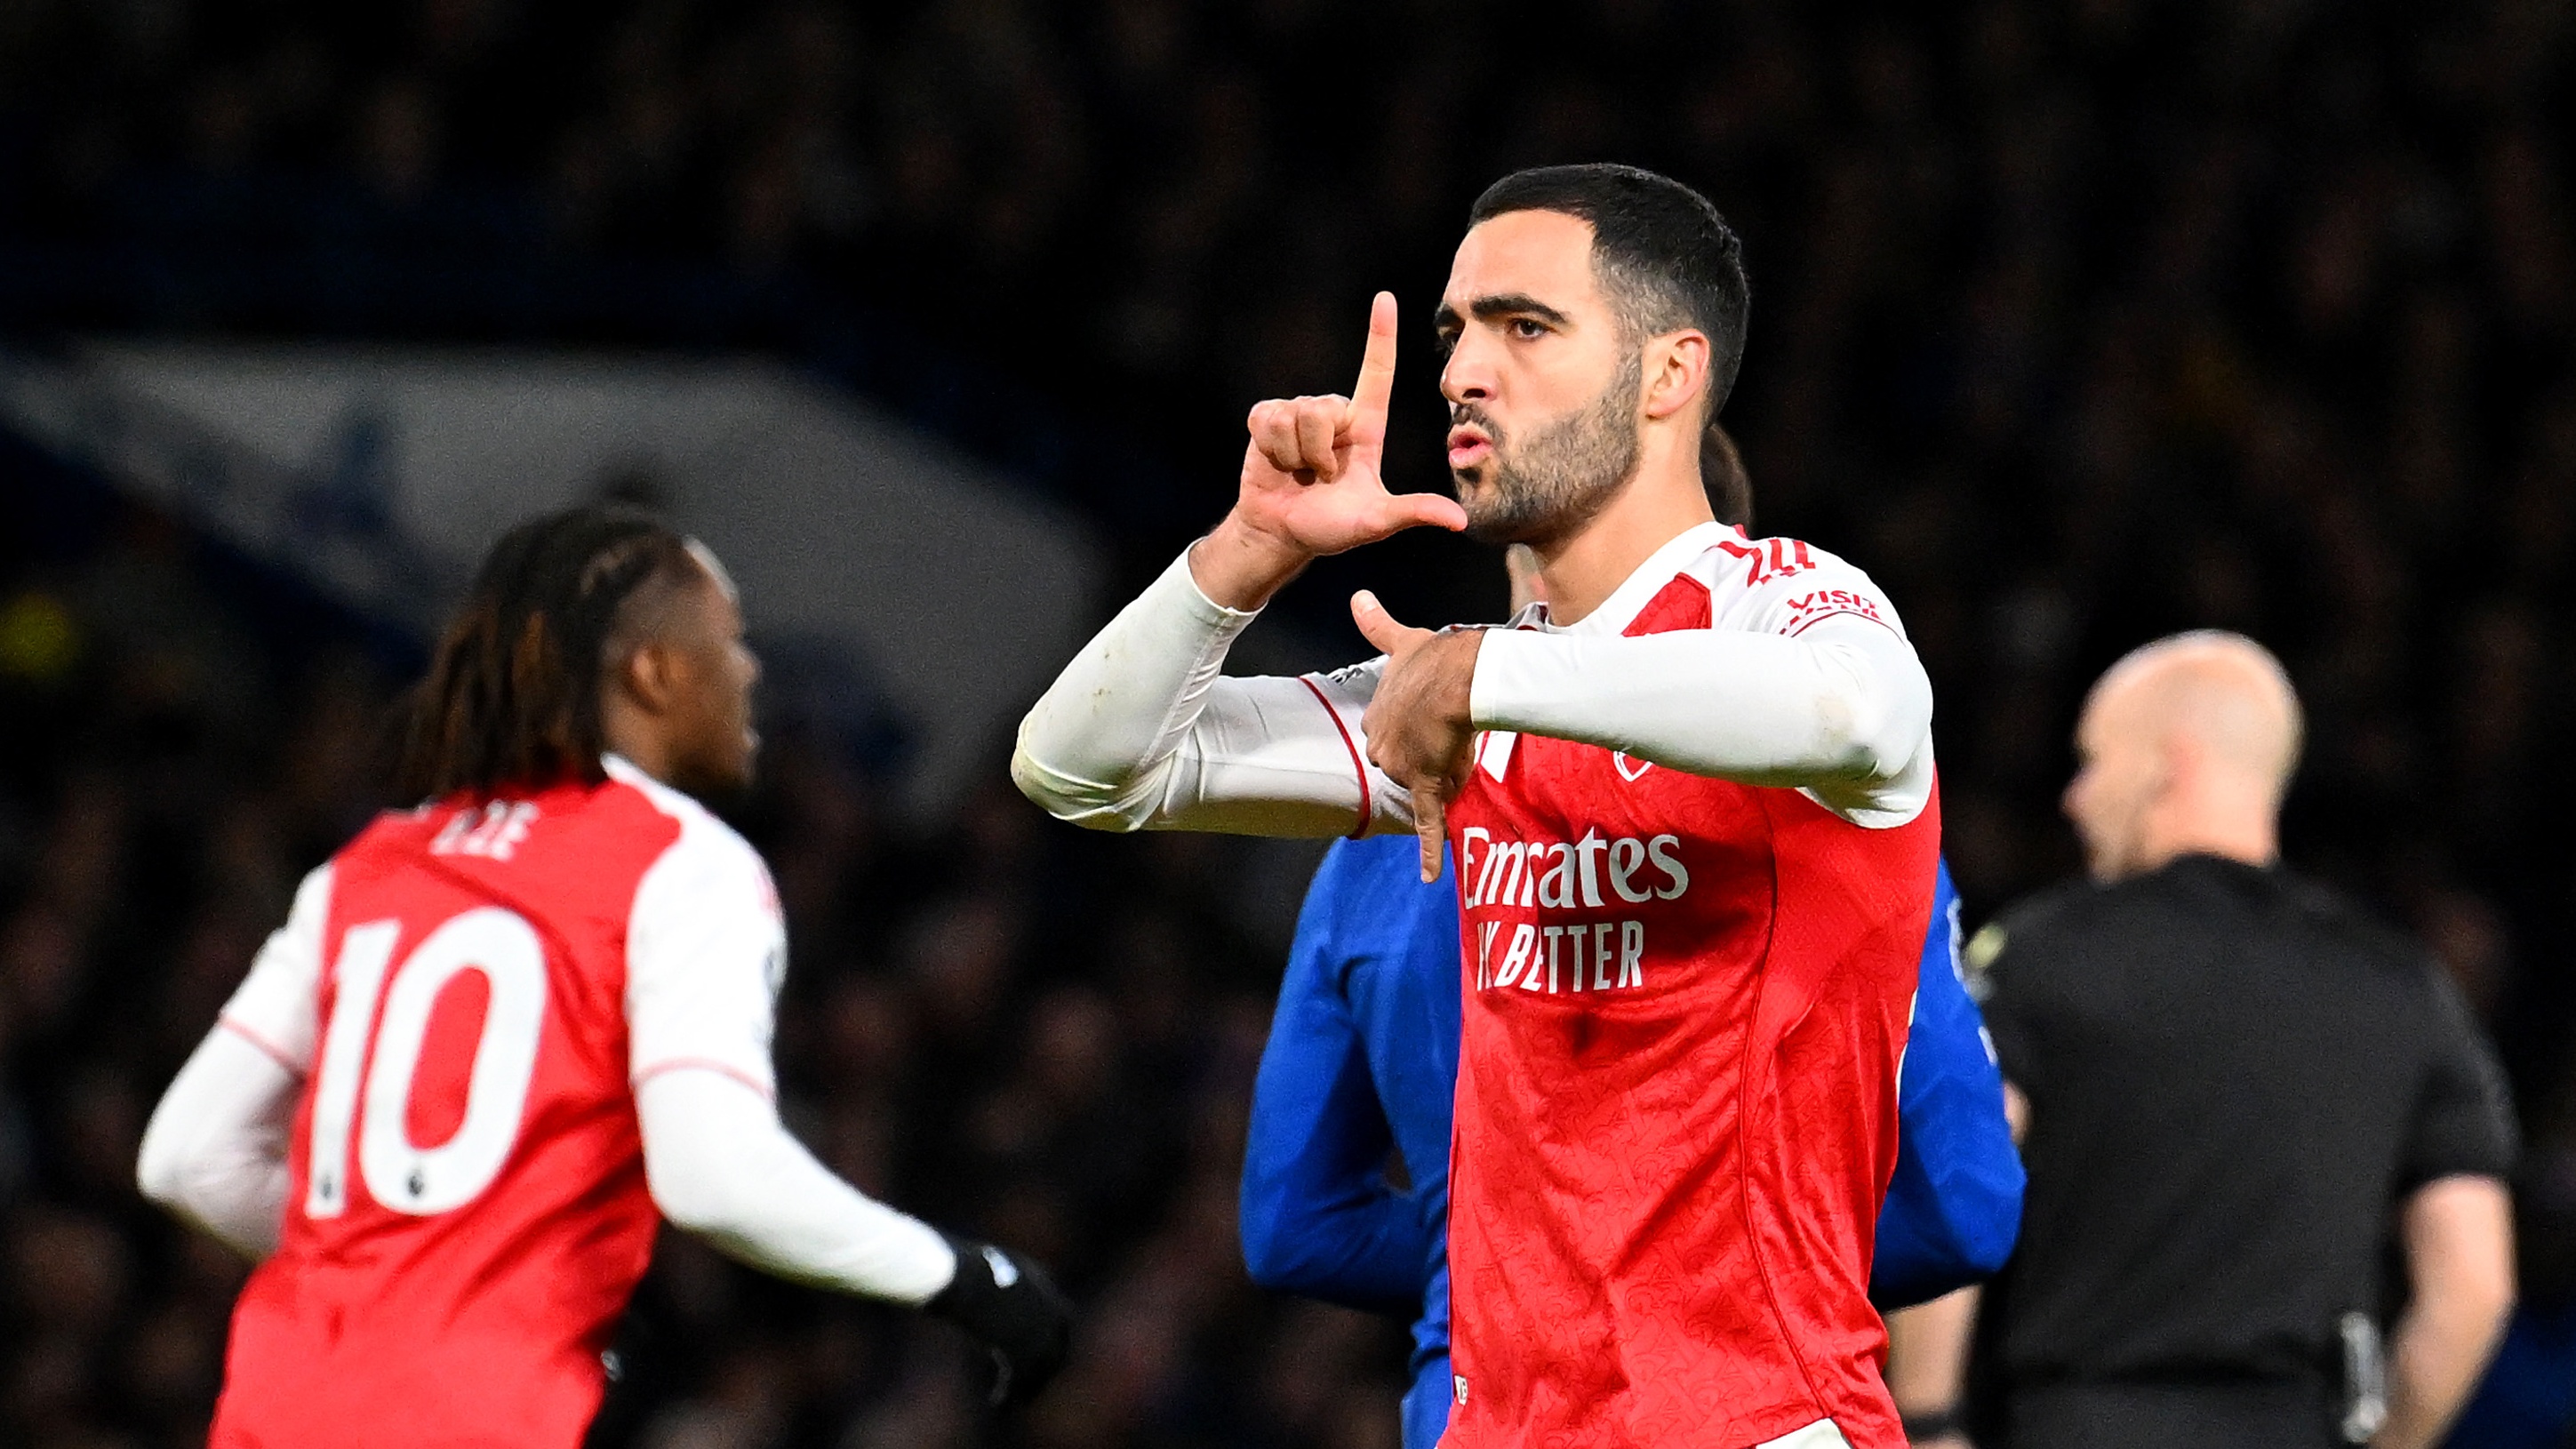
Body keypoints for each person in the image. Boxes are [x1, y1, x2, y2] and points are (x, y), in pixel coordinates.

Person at [1015, 164, 1941, 1448]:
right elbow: (1079, 769)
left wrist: (1491, 670)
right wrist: (1243, 552)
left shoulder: (1778, 601)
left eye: (1525, 326)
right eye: (1455, 332)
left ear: (1667, 376)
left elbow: (1861, 716)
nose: (1461, 371)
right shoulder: (1449, 694)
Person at [136, 507, 1072, 1449]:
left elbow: (186, 1157)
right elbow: (714, 1180)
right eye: (728, 641)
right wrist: (958, 1274)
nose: (748, 672)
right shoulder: (683, 864)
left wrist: (396, 1273)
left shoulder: (374, 863)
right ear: (653, 671)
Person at [1239, 484, 2020, 1449]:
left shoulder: (1376, 840)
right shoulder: (1830, 838)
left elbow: (1294, 1224)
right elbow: (1968, 1206)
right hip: (1735, 1393)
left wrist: (1492, 1261)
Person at [1909, 631, 2519, 1449]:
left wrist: (1927, 1419)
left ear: (2172, 761)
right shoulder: (2403, 986)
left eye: (2094, 761)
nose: (2076, 799)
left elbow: (1952, 1180)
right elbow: (2473, 1284)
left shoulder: (2045, 954)